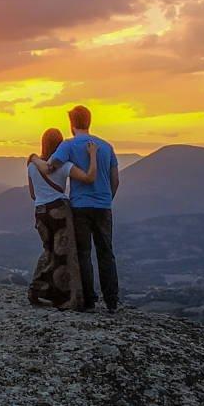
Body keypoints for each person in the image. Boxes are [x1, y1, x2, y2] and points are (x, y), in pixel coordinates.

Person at [48, 105, 120, 312]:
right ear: (89, 121)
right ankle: (112, 301)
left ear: (72, 124)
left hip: (80, 206)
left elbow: (52, 164)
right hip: (103, 206)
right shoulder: (106, 147)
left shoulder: (68, 145)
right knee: (106, 253)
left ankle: (89, 301)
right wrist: (107, 199)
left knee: (84, 253)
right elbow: (115, 179)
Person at [26, 128, 100, 310]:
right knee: (64, 255)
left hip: (40, 212)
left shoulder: (32, 166)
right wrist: (92, 155)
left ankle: (38, 288)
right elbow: (89, 177)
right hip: (59, 210)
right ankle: (63, 297)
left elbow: (33, 194)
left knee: (48, 250)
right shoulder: (65, 165)